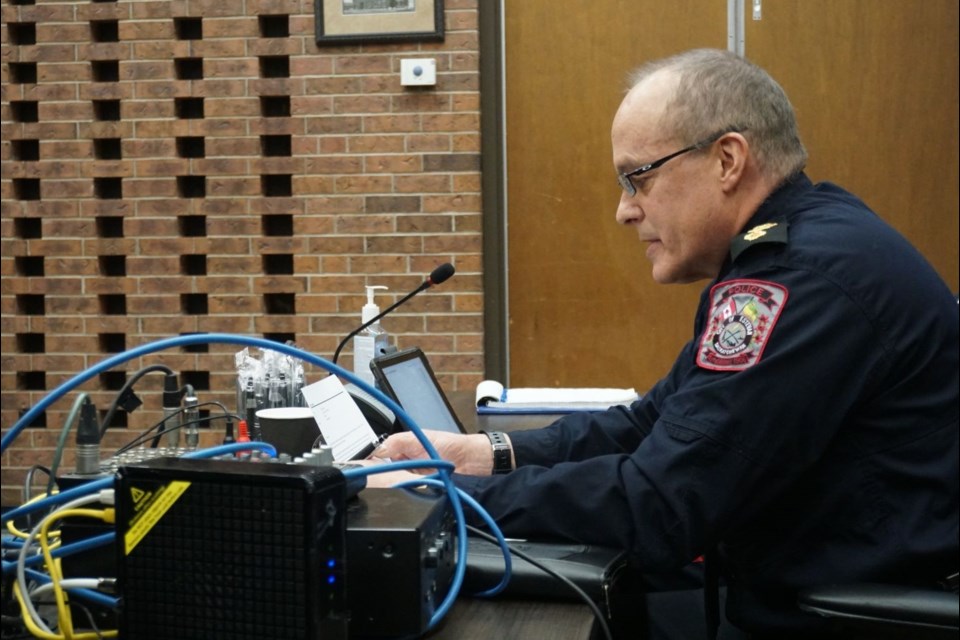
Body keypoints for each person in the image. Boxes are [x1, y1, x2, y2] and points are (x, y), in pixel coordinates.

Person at [364, 48, 959, 638]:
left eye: (637, 177)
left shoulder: (799, 282)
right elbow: (651, 423)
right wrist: (486, 455)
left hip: (828, 612)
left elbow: (660, 505)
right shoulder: (808, 246)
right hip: (808, 577)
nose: (625, 210)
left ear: (728, 160)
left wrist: (438, 494)